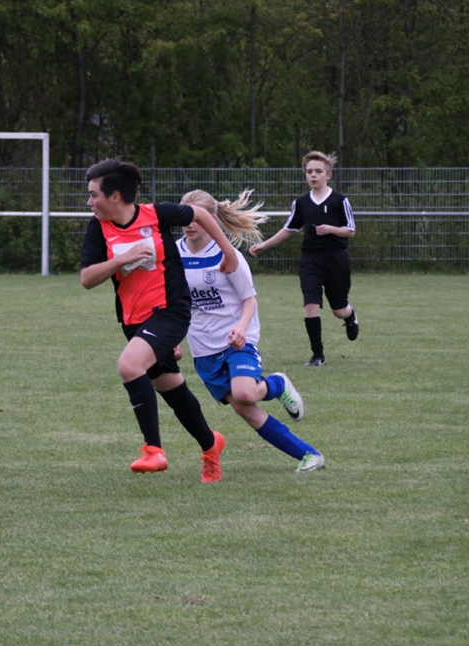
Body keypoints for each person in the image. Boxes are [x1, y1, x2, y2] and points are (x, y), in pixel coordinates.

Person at [79, 157, 239, 483]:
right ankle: (211, 444)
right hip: (133, 320)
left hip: (171, 310)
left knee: (129, 366)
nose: (89, 202)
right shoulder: (98, 228)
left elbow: (200, 214)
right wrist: (121, 259)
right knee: (171, 388)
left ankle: (153, 450)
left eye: (94, 195)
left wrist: (229, 252)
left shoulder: (157, 214)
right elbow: (87, 278)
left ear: (115, 197)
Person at [179, 189, 326, 474]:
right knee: (244, 409)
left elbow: (249, 299)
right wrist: (173, 338)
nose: (190, 223)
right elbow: (174, 301)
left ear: (212, 219)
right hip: (202, 348)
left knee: (245, 394)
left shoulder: (227, 254)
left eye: (197, 217)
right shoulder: (174, 254)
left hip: (237, 342)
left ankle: (278, 384)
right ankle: (309, 455)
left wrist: (241, 328)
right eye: (185, 217)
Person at [249, 150, 358, 367]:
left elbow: (351, 231)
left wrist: (331, 229)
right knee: (311, 306)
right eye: (309, 172)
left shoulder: (340, 201)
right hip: (310, 259)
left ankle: (350, 314)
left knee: (338, 310)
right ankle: (318, 355)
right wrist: (264, 244)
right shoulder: (301, 203)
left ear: (328, 175)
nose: (313, 175)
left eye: (318, 171)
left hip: (336, 259)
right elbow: (289, 228)